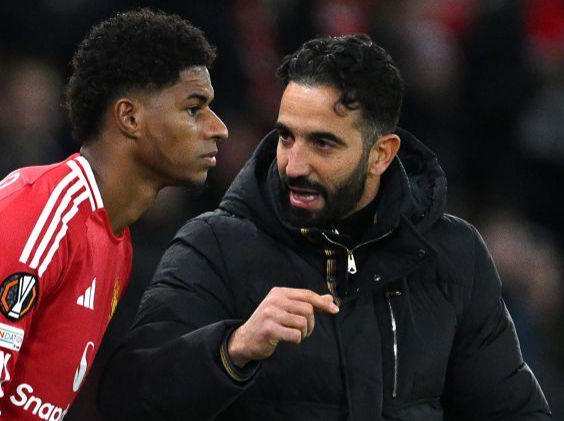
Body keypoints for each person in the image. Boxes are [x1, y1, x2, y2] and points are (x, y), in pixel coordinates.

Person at [98, 34, 551, 420]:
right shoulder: (213, 247)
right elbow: (128, 401)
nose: (295, 164)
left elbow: (510, 410)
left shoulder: (452, 254)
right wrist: (231, 350)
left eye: (323, 143)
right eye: (287, 136)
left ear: (382, 153)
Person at [0, 8, 227, 420]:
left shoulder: (114, 245)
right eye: (194, 108)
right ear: (130, 117)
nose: (218, 128)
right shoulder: (41, 215)